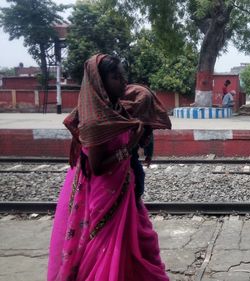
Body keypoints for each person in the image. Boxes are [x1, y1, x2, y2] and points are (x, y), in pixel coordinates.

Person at [47, 54, 170, 281]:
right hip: (105, 196)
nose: (123, 81)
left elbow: (141, 97)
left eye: (122, 76)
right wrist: (131, 146)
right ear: (100, 83)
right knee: (107, 247)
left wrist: (138, 136)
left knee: (137, 241)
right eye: (115, 77)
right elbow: (98, 167)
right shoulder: (96, 120)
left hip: (123, 189)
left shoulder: (117, 109)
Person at [121, 84, 171, 200]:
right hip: (121, 159)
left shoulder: (138, 117)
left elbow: (148, 131)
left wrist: (149, 153)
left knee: (137, 175)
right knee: (137, 175)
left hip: (129, 156)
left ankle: (133, 202)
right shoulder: (116, 114)